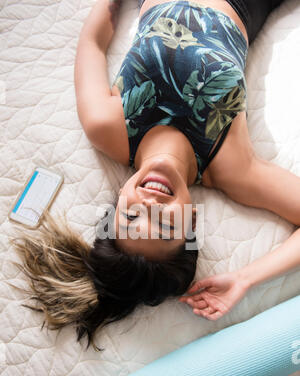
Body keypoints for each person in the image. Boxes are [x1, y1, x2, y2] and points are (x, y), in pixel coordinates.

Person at [13, 0, 300, 349]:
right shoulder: (229, 165)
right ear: (192, 222)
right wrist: (245, 279)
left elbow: (93, 43)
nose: (151, 204)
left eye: (132, 215)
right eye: (166, 226)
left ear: (118, 203)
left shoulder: (106, 127)